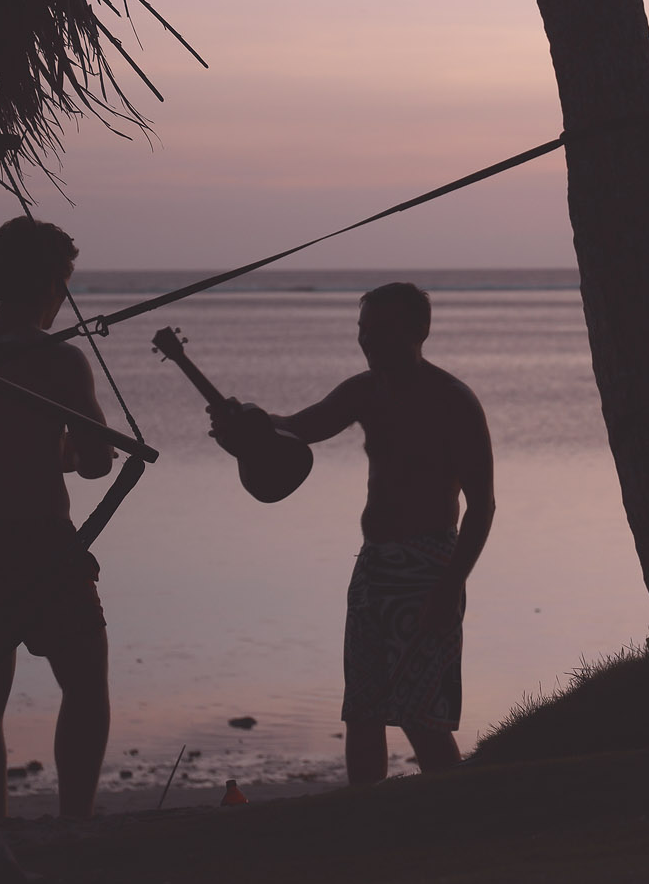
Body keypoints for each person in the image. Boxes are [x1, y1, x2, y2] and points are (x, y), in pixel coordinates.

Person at [210, 282, 494, 784]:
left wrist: (449, 587)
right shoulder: (365, 390)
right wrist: (245, 424)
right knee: (362, 709)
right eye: (363, 331)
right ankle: (365, 819)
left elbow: (482, 506)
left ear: (417, 332)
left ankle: (458, 817)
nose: (368, 342)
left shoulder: (452, 400)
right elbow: (299, 428)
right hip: (373, 566)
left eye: (381, 332)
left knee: (420, 711)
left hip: (429, 567)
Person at [0, 217, 115, 833]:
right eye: (64, 282)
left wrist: (42, 448)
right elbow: (93, 464)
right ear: (51, 285)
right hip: (43, 542)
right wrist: (65, 449)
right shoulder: (60, 360)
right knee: (85, 685)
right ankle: (75, 823)